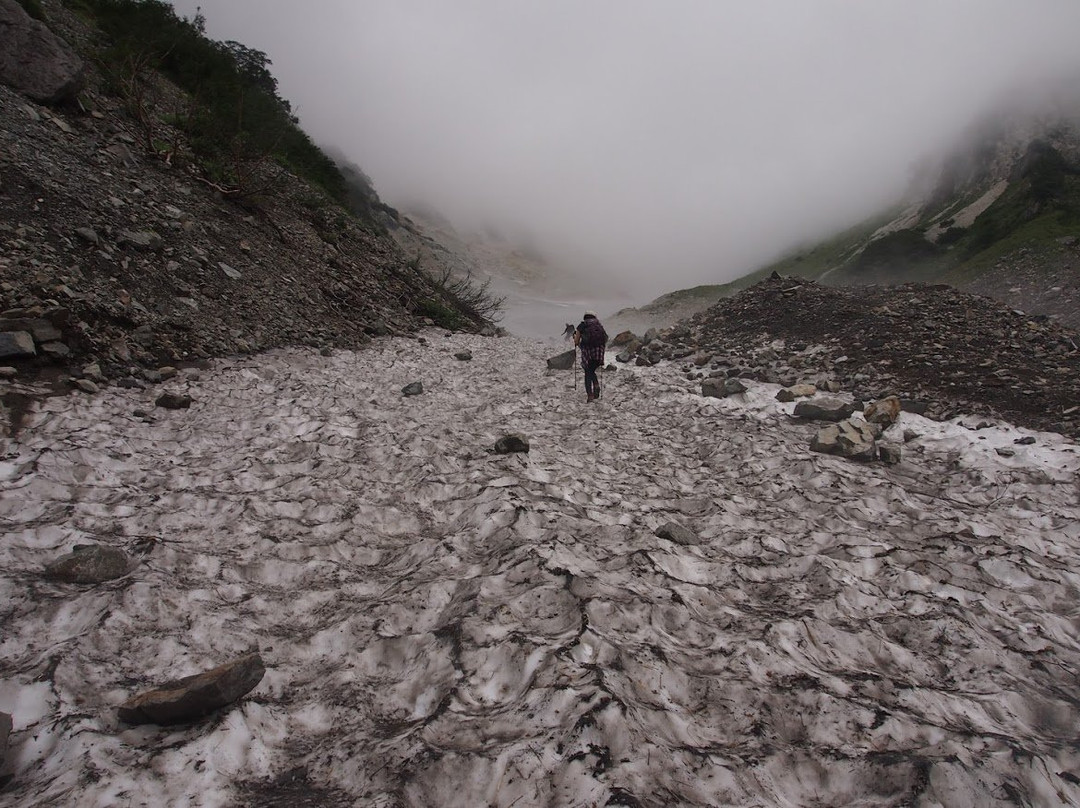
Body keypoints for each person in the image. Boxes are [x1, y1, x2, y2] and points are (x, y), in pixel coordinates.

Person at [573, 310, 608, 403]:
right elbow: (606, 338)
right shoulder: (599, 325)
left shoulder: (582, 325)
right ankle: (596, 385)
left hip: (588, 354)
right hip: (599, 353)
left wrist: (577, 340)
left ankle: (590, 395)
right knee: (591, 370)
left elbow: (576, 342)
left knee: (588, 373)